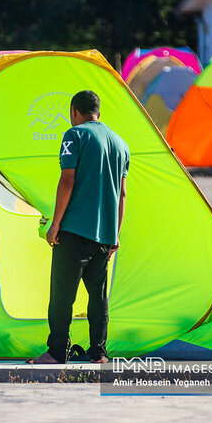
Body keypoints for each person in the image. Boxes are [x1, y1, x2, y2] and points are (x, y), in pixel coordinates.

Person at [33, 90, 130, 365]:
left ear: (74, 111)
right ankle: (99, 353)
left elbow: (67, 180)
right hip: (105, 235)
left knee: (62, 295)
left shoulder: (74, 135)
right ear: (98, 112)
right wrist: (116, 234)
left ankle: (56, 353)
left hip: (74, 230)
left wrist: (56, 224)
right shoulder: (121, 144)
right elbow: (122, 194)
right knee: (98, 298)